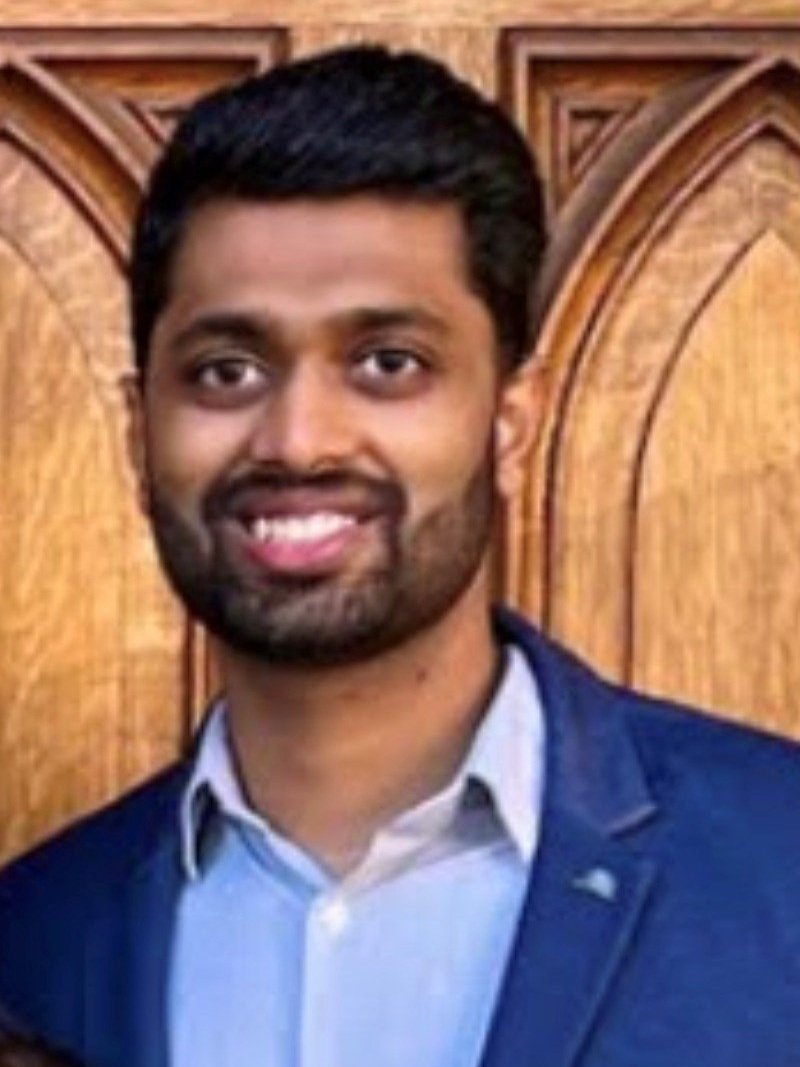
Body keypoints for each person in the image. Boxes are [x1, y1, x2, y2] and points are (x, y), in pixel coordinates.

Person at [1, 43, 799, 1067]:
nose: (299, 440)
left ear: (510, 422)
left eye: (388, 362)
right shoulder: (34, 937)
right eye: (226, 369)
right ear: (137, 431)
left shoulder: (778, 861)